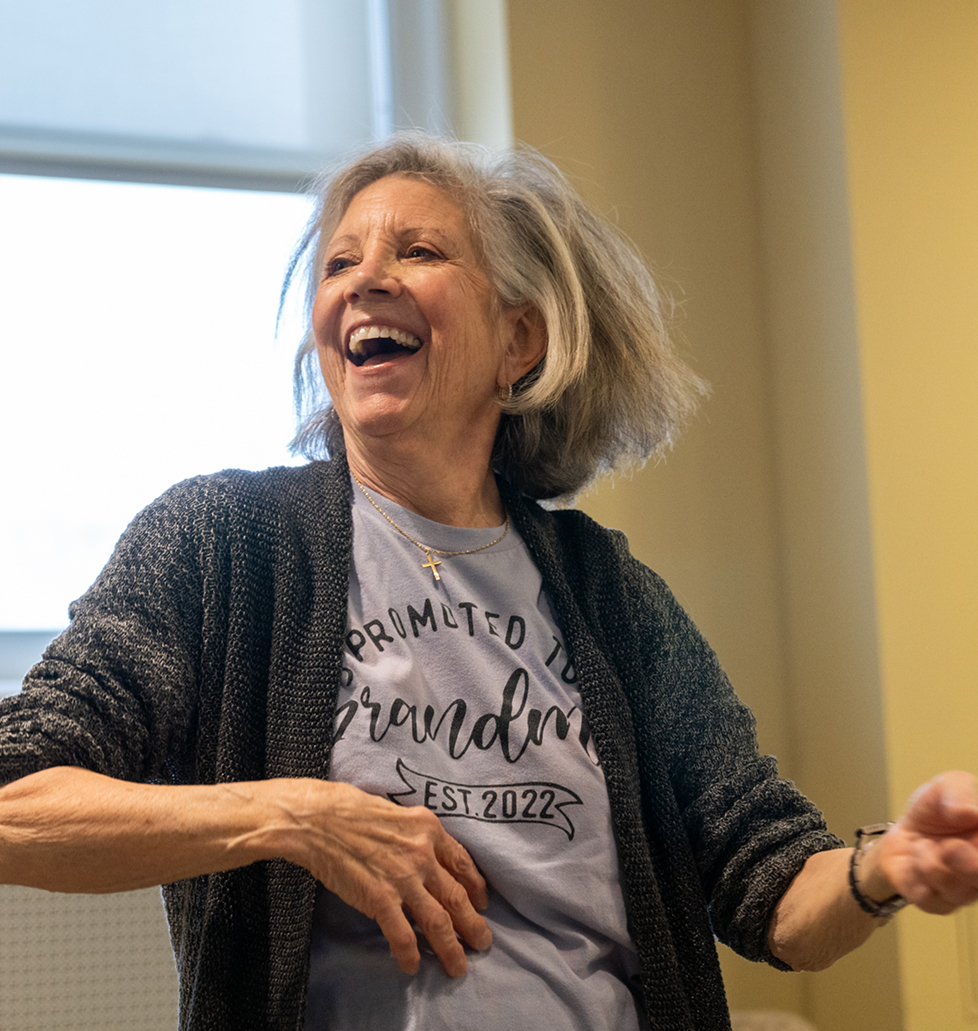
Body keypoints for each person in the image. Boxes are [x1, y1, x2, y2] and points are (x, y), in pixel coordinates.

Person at [1, 133, 977, 1031]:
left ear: (519, 342)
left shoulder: (612, 596)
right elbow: (17, 800)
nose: (366, 279)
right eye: (340, 263)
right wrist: (295, 814)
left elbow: (773, 890)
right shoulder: (224, 544)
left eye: (418, 251)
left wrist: (888, 862)